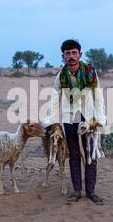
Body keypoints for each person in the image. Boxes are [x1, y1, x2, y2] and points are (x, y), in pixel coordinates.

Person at [42, 39, 106, 205]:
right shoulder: (61, 76)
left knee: (90, 155)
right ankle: (77, 190)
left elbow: (98, 96)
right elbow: (54, 100)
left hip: (88, 117)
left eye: (74, 53)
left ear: (80, 54)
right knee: (74, 155)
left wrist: (99, 119)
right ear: (63, 56)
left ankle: (91, 191)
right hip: (69, 118)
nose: (71, 56)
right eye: (67, 53)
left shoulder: (90, 73)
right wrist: (54, 122)